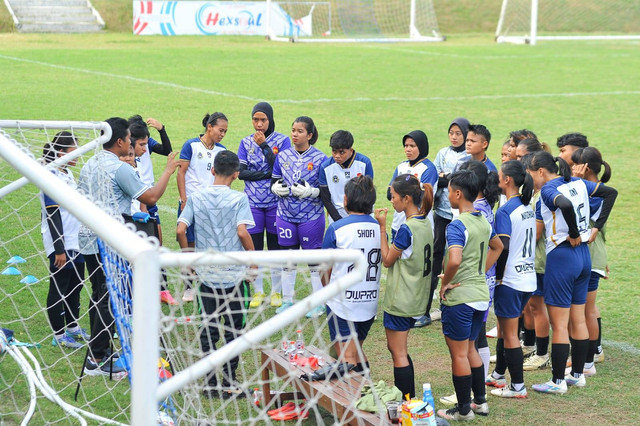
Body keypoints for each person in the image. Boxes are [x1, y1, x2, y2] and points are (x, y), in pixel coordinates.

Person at [78, 117, 179, 377]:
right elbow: (151, 197)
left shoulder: (91, 162)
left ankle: (99, 349)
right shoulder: (119, 168)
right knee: (107, 296)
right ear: (121, 141)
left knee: (101, 291)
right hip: (109, 240)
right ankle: (97, 357)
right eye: (129, 139)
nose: (132, 144)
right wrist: (168, 169)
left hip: (88, 236)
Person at [526, 151, 617, 394]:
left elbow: (563, 204)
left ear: (541, 172)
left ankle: (557, 382)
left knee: (560, 323)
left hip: (562, 256)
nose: (531, 180)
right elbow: (611, 192)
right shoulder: (579, 182)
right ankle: (577, 375)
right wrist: (594, 228)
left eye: (531, 175)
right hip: (583, 258)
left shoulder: (548, 189)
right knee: (578, 318)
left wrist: (575, 232)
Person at [177, 150, 256, 399]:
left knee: (208, 328)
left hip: (206, 276)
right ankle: (230, 381)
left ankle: (210, 383)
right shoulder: (238, 198)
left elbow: (181, 229)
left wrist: (189, 256)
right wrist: (253, 260)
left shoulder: (196, 197)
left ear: (212, 170)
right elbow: (242, 233)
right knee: (234, 330)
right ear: (236, 174)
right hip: (234, 277)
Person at [436, 170, 502, 421]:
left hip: (461, 297)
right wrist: (479, 270)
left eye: (449, 190)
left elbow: (453, 260)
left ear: (458, 193)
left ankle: (463, 409)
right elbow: (498, 246)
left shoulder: (457, 225)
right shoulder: (483, 220)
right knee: (471, 348)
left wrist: (446, 283)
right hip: (480, 295)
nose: (447, 195)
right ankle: (480, 402)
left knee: (459, 354)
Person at [375, 174, 433, 398]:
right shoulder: (425, 221)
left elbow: (388, 260)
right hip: (417, 296)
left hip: (401, 299)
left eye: (394, 196)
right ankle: (408, 397)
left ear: (407, 198)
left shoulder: (407, 229)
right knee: (399, 349)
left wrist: (382, 229)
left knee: (398, 352)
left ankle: (405, 402)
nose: (391, 200)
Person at [271, 116, 328, 317]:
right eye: (293, 130)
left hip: (311, 216)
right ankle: (288, 301)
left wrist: (311, 192)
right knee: (288, 259)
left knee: (314, 261)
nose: (294, 134)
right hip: (285, 214)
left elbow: (326, 190)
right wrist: (275, 187)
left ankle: (318, 302)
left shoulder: (321, 159)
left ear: (310, 135)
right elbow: (275, 178)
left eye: (300, 131)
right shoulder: (283, 156)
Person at [322, 175, 380, 374]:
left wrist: (326, 293)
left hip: (342, 303)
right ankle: (367, 390)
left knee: (346, 358)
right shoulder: (379, 229)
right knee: (356, 351)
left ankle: (354, 403)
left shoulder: (337, 229)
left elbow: (325, 268)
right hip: (369, 301)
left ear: (345, 200)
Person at [488, 160, 536, 399]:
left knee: (509, 334)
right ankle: (498, 374)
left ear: (507, 180)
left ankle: (517, 386)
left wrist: (497, 278)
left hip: (510, 280)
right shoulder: (527, 206)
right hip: (528, 278)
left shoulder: (505, 210)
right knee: (507, 330)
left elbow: (503, 247)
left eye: (499, 175)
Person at [238, 102, 291, 309]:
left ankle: (276, 292)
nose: (259, 124)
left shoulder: (283, 141)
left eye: (263, 120)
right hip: (252, 203)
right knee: (255, 248)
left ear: (270, 120)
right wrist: (267, 174)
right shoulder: (244, 142)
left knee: (275, 248)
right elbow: (242, 173)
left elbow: (281, 168)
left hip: (276, 203)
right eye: (255, 120)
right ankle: (258, 291)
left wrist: (264, 147)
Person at [41, 132, 88, 349]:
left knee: (76, 285)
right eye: (74, 149)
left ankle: (72, 326)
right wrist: (59, 249)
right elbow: (53, 214)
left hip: (75, 239)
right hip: (61, 242)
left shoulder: (67, 173)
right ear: (62, 152)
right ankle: (59, 335)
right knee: (59, 286)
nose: (77, 153)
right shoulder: (50, 176)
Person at [177, 112, 228, 302]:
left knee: (208, 246)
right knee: (188, 245)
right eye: (220, 130)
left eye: (225, 131)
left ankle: (208, 284)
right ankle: (189, 286)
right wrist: (183, 200)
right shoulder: (191, 145)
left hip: (211, 206)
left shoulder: (221, 150)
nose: (222, 134)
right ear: (209, 127)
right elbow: (181, 173)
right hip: (191, 203)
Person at [569, 147, 613, 372]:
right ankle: (592, 355)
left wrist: (574, 183)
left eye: (574, 164)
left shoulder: (596, 193)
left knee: (586, 311)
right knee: (589, 310)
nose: (571, 169)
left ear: (584, 168)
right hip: (594, 255)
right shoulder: (593, 190)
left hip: (590, 255)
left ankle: (588, 361)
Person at [429, 118, 471, 327]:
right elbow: (437, 178)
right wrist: (446, 177)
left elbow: (459, 180)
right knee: (437, 253)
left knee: (455, 254)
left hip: (460, 214)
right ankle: (432, 296)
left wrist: (447, 177)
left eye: (458, 133)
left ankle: (453, 294)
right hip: (442, 212)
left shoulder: (469, 155)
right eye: (451, 133)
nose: (454, 137)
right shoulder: (443, 153)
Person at [319, 129, 374, 223]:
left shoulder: (364, 163)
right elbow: (325, 198)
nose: (336, 156)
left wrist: (362, 216)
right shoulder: (325, 167)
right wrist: (338, 220)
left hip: (362, 213)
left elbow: (368, 193)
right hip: (336, 215)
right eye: (334, 151)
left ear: (351, 150)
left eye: (341, 152)